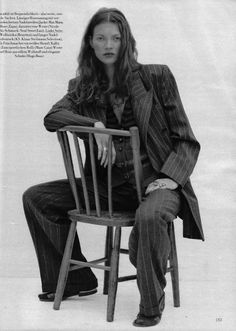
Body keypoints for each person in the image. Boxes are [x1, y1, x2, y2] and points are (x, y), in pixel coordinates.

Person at [23, 7, 204, 327]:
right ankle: (79, 281)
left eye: (116, 38)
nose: (109, 44)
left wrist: (171, 178)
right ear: (90, 44)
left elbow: (186, 141)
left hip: (155, 183)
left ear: (126, 42)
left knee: (149, 217)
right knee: (37, 197)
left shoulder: (156, 76)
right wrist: (93, 123)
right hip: (108, 189)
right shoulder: (82, 87)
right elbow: (52, 118)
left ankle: (151, 304)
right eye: (101, 38)